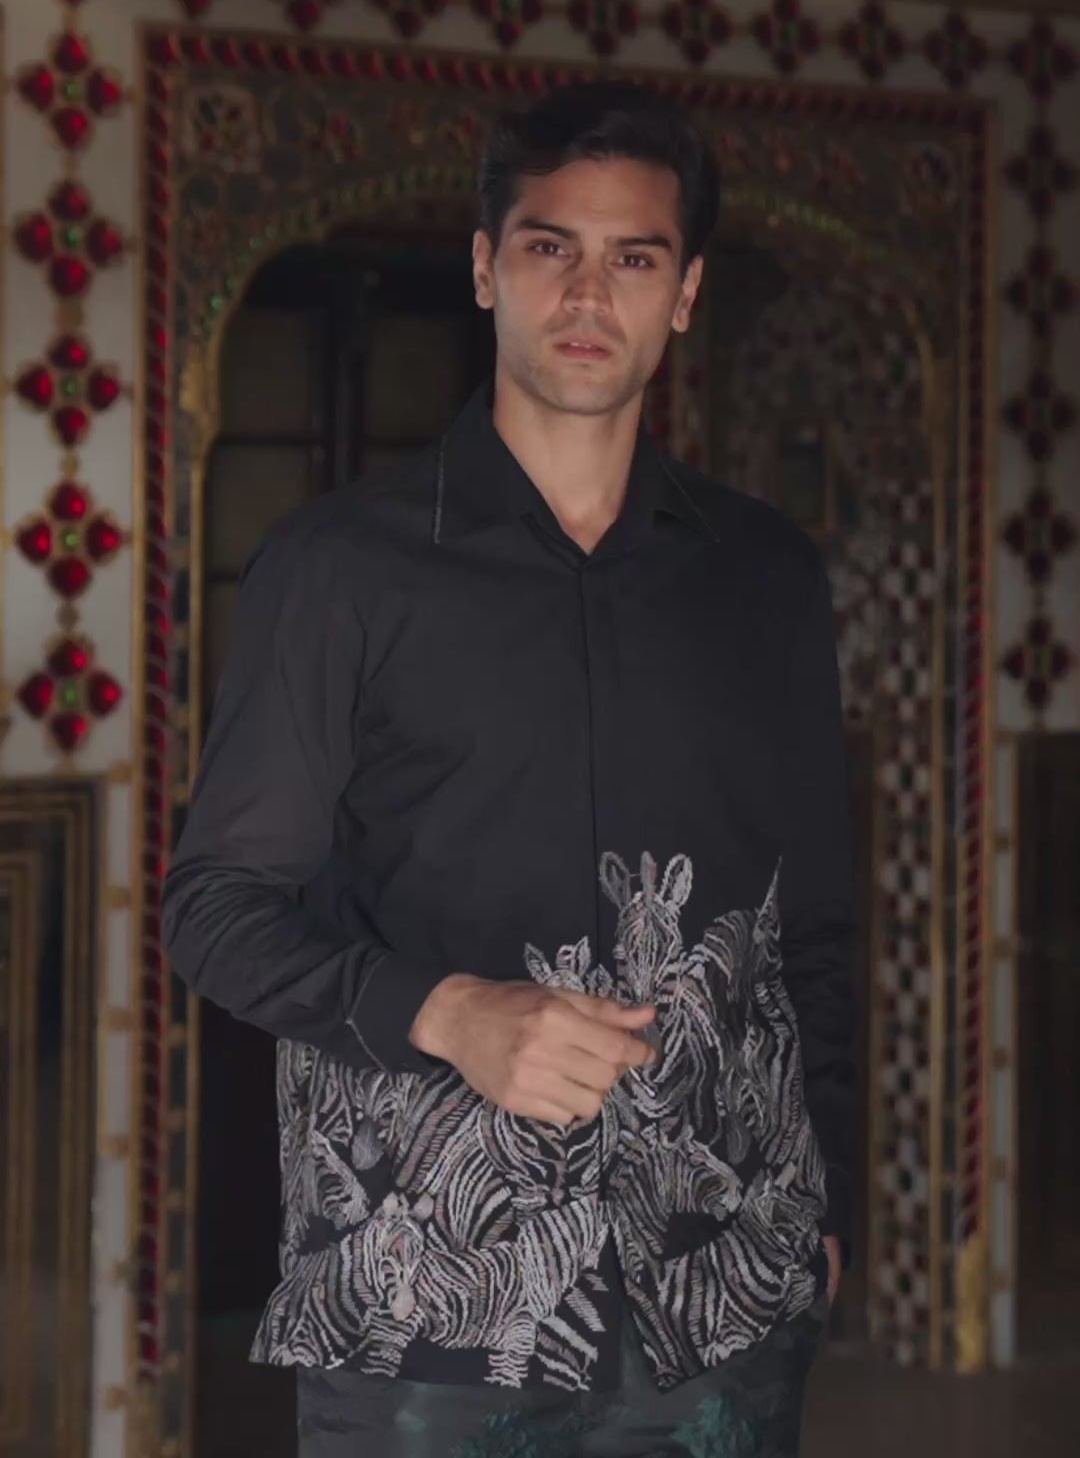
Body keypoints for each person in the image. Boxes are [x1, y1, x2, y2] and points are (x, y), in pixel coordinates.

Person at [163, 81, 855, 1457]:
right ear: (487, 268)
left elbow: (817, 930)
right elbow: (214, 910)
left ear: (685, 294)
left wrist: (831, 1207)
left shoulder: (767, 579)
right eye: (551, 247)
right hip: (428, 1305)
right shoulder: (339, 571)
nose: (589, 293)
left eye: (635, 257)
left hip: (721, 1292)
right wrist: (446, 1012)